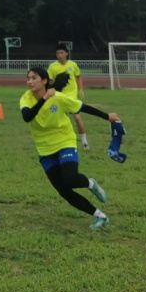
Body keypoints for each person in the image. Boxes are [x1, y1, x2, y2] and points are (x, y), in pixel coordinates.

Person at [20, 67, 118, 229]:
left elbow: (82, 107)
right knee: (64, 191)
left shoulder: (58, 98)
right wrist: (44, 98)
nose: (29, 81)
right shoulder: (25, 98)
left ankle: (91, 184)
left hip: (65, 143)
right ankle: (100, 216)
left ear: (44, 81)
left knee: (70, 178)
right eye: (28, 78)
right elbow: (27, 117)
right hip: (45, 150)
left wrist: (107, 117)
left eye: (34, 78)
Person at [47, 45, 90, 151]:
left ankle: (84, 142)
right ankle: (62, 143)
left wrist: (81, 89)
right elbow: (50, 80)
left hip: (71, 96)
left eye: (61, 53)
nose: (59, 55)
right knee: (61, 120)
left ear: (66, 53)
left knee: (77, 118)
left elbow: (78, 76)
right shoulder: (52, 67)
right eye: (57, 53)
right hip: (59, 96)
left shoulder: (73, 65)